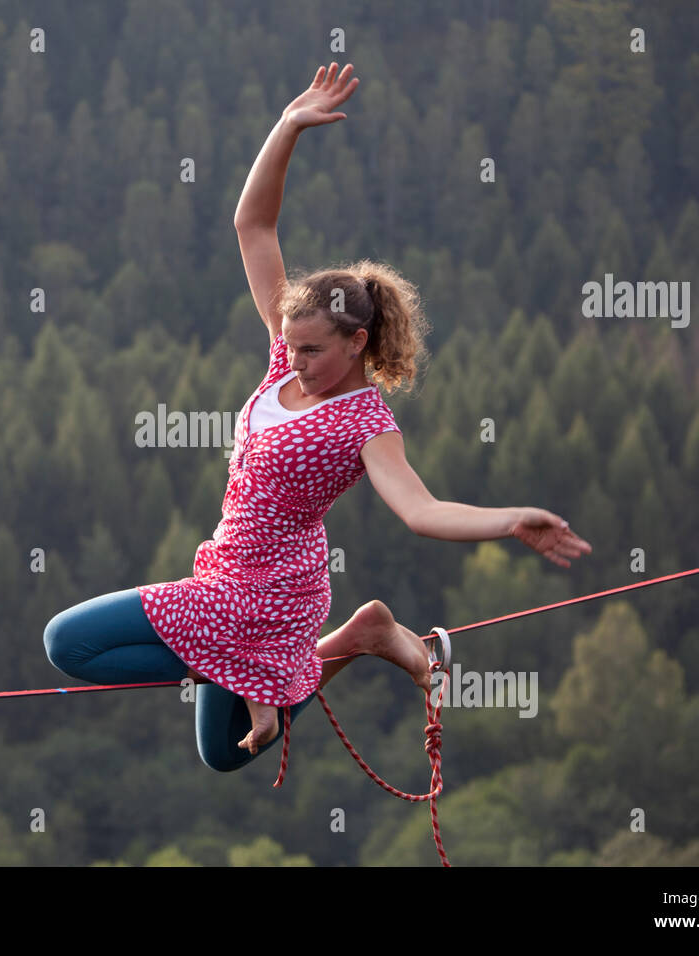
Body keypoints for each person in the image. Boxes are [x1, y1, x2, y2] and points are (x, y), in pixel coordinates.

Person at [44, 62, 592, 772]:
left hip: (261, 597)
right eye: (289, 342)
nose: (292, 357)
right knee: (221, 753)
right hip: (232, 573)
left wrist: (511, 518)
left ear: (357, 342)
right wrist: (288, 126)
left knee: (69, 644)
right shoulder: (284, 358)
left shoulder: (365, 422)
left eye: (310, 349)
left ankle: (273, 661)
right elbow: (254, 223)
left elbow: (421, 511)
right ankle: (356, 639)